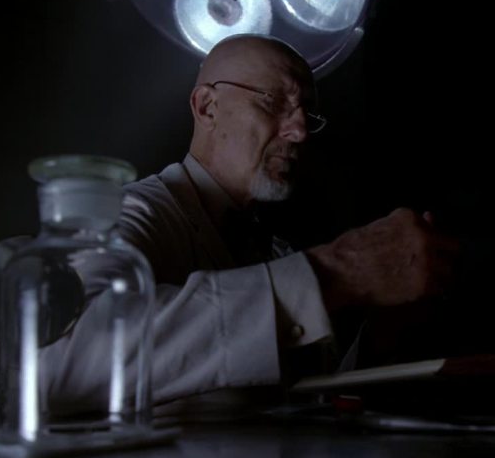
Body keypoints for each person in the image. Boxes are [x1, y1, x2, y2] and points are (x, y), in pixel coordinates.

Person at [40, 34, 456, 416]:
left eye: (307, 114)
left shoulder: (275, 251)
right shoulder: (133, 212)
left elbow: (309, 402)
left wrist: (383, 334)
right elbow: (62, 361)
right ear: (207, 107)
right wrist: (342, 270)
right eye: (273, 102)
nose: (299, 132)